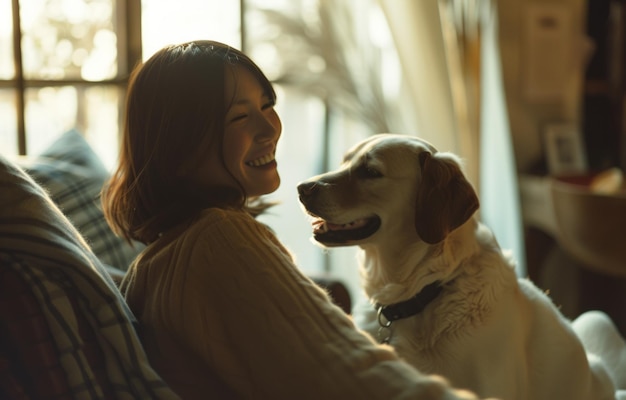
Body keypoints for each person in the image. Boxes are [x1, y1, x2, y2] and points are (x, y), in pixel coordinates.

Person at [102, 40, 484, 399]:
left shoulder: (154, 263)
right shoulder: (221, 239)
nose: (269, 128)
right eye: (239, 116)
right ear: (181, 145)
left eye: (267, 105)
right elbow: (349, 376)